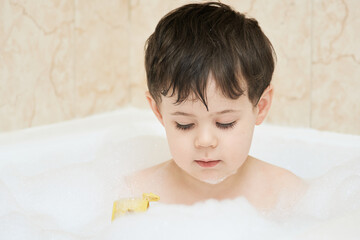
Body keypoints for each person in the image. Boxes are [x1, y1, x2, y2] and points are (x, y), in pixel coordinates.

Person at [127, 2, 307, 211]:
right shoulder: (135, 193)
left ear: (262, 105)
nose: (205, 141)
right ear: (158, 111)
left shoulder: (285, 193)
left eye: (225, 123)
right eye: (184, 124)